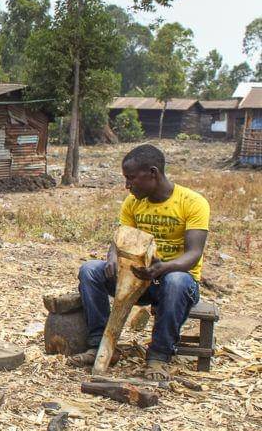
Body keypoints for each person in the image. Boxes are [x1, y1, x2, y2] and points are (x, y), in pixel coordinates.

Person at [69, 144, 209, 380]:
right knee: (90, 270)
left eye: (131, 178)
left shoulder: (192, 202)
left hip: (177, 283)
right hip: (136, 280)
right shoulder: (132, 203)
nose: (127, 185)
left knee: (176, 281)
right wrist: (112, 256)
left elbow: (193, 254)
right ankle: (99, 346)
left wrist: (162, 268)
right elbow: (120, 240)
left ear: (153, 173)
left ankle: (158, 357)